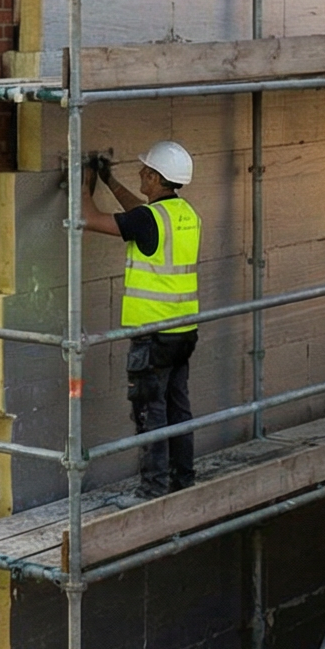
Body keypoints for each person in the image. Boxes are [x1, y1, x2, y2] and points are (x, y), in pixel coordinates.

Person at [83, 140, 201, 498]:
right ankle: (183, 479)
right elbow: (139, 215)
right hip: (183, 331)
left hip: (152, 335)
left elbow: (86, 219)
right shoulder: (184, 215)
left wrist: (85, 180)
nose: (139, 175)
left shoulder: (149, 220)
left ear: (154, 176)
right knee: (178, 408)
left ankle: (152, 489)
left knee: (150, 412)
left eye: (144, 171)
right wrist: (110, 182)